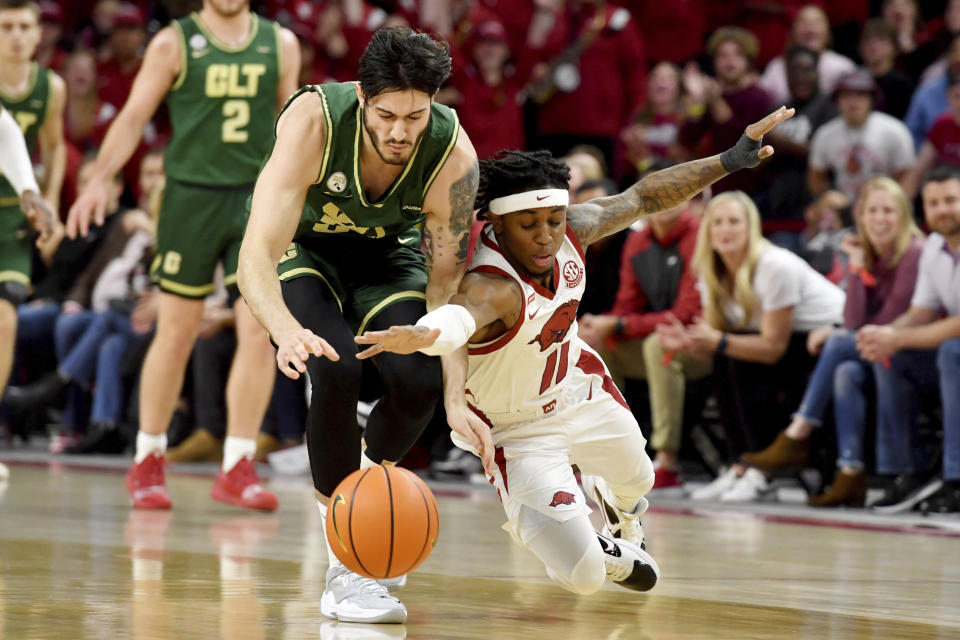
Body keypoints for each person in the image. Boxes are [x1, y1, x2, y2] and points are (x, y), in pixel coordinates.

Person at [354, 109, 794, 599]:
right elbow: (457, 320)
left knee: (640, 478)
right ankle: (595, 546)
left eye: (554, 220)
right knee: (582, 579)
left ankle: (617, 508)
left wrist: (729, 160)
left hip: (576, 388)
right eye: (529, 224)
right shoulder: (488, 285)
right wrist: (423, 335)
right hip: (517, 430)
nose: (546, 235)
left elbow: (644, 196)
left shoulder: (573, 230)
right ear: (497, 222)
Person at [238, 27, 481, 623]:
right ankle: (346, 564)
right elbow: (256, 254)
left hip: (385, 258)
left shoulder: (455, 157)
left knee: (418, 382)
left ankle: (366, 498)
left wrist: (455, 394)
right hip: (302, 252)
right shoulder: (313, 120)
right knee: (334, 366)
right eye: (387, 115)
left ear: (434, 105)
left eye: (415, 117)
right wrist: (284, 328)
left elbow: (446, 289)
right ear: (362, 98)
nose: (400, 132)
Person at [67, 0, 300, 512]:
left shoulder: (280, 43)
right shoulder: (174, 41)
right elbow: (132, 118)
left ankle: (238, 464)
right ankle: (147, 457)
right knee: (174, 333)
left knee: (259, 333)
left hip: (254, 199)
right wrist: (101, 180)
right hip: (190, 198)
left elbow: (293, 130)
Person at [741, 177, 924, 507]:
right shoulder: (865, 253)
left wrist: (840, 332)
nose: (880, 218)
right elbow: (854, 318)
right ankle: (850, 474)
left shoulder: (914, 251)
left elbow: (891, 317)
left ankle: (798, 431)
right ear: (861, 217)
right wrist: (855, 270)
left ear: (903, 216)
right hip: (876, 352)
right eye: (872, 211)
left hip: (914, 352)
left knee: (839, 341)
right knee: (845, 373)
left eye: (888, 210)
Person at [658, 191, 845, 503]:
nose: (725, 229)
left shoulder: (774, 265)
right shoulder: (710, 269)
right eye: (717, 222)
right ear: (708, 231)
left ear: (751, 228)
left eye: (734, 222)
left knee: (736, 358)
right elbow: (719, 340)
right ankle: (740, 465)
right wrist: (689, 344)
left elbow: (772, 347)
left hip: (827, 338)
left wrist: (717, 342)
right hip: (787, 340)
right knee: (726, 357)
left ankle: (761, 471)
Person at [857, 165, 960, 514]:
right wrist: (887, 335)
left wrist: (898, 337)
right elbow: (920, 313)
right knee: (891, 356)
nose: (942, 210)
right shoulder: (934, 248)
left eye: (951, 200)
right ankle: (902, 472)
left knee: (951, 351)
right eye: (934, 203)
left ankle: (955, 478)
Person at [0, 0, 61, 406]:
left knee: (5, 320)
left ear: (39, 33)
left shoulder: (50, 86)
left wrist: (44, 200)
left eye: (25, 27)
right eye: (7, 27)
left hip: (13, 220)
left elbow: (46, 147)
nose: (17, 36)